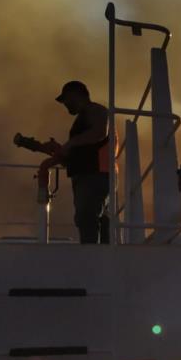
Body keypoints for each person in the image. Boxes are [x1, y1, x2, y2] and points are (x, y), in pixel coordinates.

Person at [54, 80, 111, 244]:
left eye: (66, 100)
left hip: (95, 175)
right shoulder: (84, 117)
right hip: (88, 176)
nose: (65, 105)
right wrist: (63, 153)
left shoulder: (96, 110)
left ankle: (91, 257)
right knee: (92, 218)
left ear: (75, 95)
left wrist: (69, 144)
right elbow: (84, 147)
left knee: (87, 217)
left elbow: (100, 132)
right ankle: (98, 257)